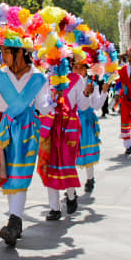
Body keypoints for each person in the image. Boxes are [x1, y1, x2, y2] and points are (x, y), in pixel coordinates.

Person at [0, 42, 53, 247]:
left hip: (27, 130)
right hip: (5, 130)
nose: (2, 56)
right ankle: (15, 220)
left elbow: (43, 107)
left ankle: (14, 221)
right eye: (2, 51)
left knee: (20, 174)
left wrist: (53, 99)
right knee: (8, 174)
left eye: (7, 52)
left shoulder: (39, 77)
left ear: (21, 53)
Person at [38, 60, 88, 220]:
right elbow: (42, 104)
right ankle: (54, 208)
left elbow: (84, 105)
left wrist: (86, 94)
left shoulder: (76, 79)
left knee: (67, 163)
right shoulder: (47, 79)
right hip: (51, 125)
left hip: (69, 126)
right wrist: (50, 104)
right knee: (50, 164)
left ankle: (71, 196)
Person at [73, 59, 109, 194]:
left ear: (84, 69)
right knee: (71, 152)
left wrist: (104, 92)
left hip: (86, 122)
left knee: (88, 151)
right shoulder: (68, 83)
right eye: (74, 67)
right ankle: (71, 185)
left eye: (78, 67)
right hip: (71, 121)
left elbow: (96, 105)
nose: (75, 70)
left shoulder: (92, 84)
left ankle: (90, 178)